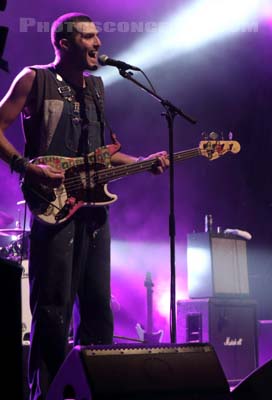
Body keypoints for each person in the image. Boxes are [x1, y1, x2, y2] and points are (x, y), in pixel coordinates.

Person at [0, 13, 169, 399]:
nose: (97, 44)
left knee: (98, 307)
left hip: (94, 209)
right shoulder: (33, 78)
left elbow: (101, 155)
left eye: (98, 37)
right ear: (63, 42)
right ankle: (48, 392)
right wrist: (25, 167)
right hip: (53, 207)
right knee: (53, 307)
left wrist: (144, 162)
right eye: (88, 37)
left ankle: (96, 389)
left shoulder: (96, 88)